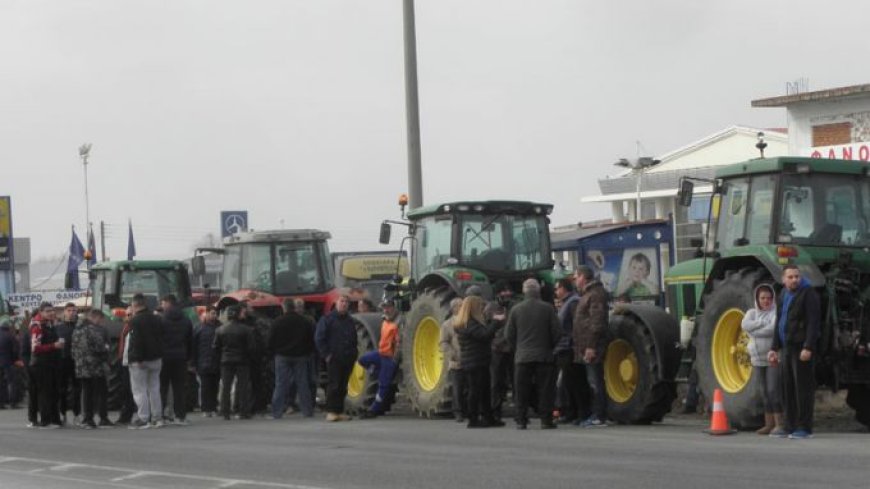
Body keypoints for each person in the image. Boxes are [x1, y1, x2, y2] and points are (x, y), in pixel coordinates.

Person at [768, 265, 821, 440]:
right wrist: (774, 348)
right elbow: (780, 322)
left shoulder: (808, 294)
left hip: (801, 348)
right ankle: (789, 425)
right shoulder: (783, 294)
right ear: (783, 279)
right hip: (786, 348)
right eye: (790, 277)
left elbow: (814, 323)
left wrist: (808, 347)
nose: (794, 280)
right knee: (787, 388)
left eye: (797, 277)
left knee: (802, 389)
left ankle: (804, 427)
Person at [505, 279, 562, 430]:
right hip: (544, 356)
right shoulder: (548, 308)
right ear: (538, 291)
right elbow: (557, 332)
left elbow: (508, 334)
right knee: (545, 390)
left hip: (522, 357)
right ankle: (546, 420)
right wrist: (549, 347)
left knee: (521, 390)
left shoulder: (516, 310)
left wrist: (518, 348)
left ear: (524, 291)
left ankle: (521, 420)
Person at [740, 284, 783, 435]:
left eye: (769, 298)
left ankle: (780, 424)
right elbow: (745, 325)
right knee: (764, 391)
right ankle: (768, 424)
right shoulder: (751, 313)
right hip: (757, 359)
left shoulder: (776, 313)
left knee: (773, 390)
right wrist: (760, 323)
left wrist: (754, 330)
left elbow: (772, 329)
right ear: (757, 299)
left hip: (772, 357)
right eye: (763, 298)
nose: (766, 301)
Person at [455, 295, 502, 428]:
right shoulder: (469, 323)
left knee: (484, 390)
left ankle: (488, 417)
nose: (482, 308)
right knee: (475, 391)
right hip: (474, 361)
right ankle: (473, 419)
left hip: (478, 360)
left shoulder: (468, 323)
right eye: (480, 306)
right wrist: (495, 322)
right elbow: (484, 335)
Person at [573, 265, 610, 428]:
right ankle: (596, 413)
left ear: (583, 277)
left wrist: (591, 346)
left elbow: (597, 322)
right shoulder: (588, 294)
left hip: (592, 346)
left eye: (576, 277)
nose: (575, 280)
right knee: (591, 381)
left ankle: (600, 416)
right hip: (585, 345)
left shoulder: (595, 295)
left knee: (595, 381)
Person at [269, 299, 316, 419]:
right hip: (300, 356)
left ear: (284, 307)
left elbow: (271, 340)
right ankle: (307, 411)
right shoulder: (304, 321)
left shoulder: (277, 322)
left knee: (280, 384)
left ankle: (277, 412)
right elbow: (310, 340)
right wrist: (306, 352)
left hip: (282, 356)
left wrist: (274, 352)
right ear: (294, 307)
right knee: (303, 384)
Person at [315, 295, 357, 422]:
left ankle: (339, 411)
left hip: (347, 357)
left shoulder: (350, 320)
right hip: (334, 358)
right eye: (342, 301)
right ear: (336, 303)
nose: (344, 304)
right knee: (334, 385)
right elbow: (319, 338)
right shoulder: (327, 319)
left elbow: (354, 338)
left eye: (346, 302)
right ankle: (331, 411)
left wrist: (354, 354)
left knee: (343, 386)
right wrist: (326, 355)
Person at [358, 300, 401, 418]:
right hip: (380, 354)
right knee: (362, 359)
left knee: (383, 385)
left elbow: (399, 344)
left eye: (388, 307)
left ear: (394, 308)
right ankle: (377, 372)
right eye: (384, 308)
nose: (386, 310)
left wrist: (394, 360)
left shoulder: (397, 324)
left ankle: (374, 410)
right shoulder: (385, 322)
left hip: (389, 358)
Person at [128, 293, 165, 429]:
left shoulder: (135, 321)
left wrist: (138, 358)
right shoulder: (157, 319)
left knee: (140, 390)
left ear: (135, 305)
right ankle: (157, 417)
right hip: (156, 359)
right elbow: (162, 338)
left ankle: (143, 418)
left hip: (141, 361)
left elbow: (136, 341)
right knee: (155, 389)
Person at [552, 277, 587, 424]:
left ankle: (580, 412)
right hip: (564, 347)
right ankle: (572, 412)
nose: (555, 291)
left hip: (569, 348)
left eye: (557, 288)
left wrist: (573, 344)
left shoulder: (573, 302)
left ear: (564, 288)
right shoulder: (566, 303)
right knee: (567, 383)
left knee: (575, 382)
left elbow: (575, 326)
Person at [71, 309, 112, 429]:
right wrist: (106, 349)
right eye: (100, 319)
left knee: (86, 392)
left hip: (80, 367)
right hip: (94, 366)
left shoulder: (76, 331)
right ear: (95, 318)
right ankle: (95, 418)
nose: (101, 322)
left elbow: (73, 350)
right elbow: (100, 347)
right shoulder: (92, 330)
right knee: (98, 392)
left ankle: (86, 418)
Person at [214, 304, 256, 420]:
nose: (244, 314)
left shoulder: (220, 329)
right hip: (243, 361)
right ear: (237, 314)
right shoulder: (246, 330)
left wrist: (221, 357)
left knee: (226, 387)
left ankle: (225, 412)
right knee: (243, 386)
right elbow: (252, 347)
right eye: (242, 312)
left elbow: (216, 347)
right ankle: (244, 411)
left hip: (226, 360)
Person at [159, 294, 194, 425]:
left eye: (163, 303)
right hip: (180, 357)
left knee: (162, 387)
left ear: (168, 303)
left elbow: (158, 339)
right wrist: (188, 357)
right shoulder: (186, 320)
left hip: (164, 358)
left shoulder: (162, 320)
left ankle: (161, 415)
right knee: (179, 388)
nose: (161, 306)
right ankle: (180, 416)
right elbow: (190, 340)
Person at [30, 302, 63, 428]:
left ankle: (54, 419)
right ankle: (45, 421)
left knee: (53, 392)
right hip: (41, 364)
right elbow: (35, 348)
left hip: (51, 363)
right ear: (41, 312)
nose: (52, 313)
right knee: (45, 393)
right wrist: (53, 346)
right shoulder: (37, 326)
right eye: (48, 311)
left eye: (52, 310)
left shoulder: (49, 325)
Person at [488, 280, 514, 420]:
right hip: (497, 349)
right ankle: (495, 409)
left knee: (515, 380)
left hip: (511, 348)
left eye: (508, 290)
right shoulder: (490, 307)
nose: (507, 293)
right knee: (496, 381)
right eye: (503, 291)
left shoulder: (514, 307)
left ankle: (519, 409)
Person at [440, 297, 466, 422]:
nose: (463, 308)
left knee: (470, 387)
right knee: (458, 388)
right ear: (454, 308)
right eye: (460, 306)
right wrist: (452, 354)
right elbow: (443, 343)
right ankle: (458, 412)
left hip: (469, 359)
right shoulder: (447, 325)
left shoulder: (468, 321)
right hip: (456, 361)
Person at [55, 303, 81, 425]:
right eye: (69, 310)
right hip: (62, 361)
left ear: (77, 312)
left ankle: (77, 414)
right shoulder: (58, 328)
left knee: (77, 389)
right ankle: (62, 414)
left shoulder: (80, 327)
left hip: (77, 361)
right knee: (62, 389)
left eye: (73, 310)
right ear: (64, 312)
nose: (71, 312)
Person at [193, 306, 221, 417]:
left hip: (216, 361)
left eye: (215, 313)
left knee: (215, 386)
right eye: (212, 313)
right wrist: (193, 362)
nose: (214, 316)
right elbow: (194, 347)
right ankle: (206, 408)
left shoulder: (220, 327)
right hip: (203, 361)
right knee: (205, 386)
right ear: (207, 313)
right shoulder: (199, 328)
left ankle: (213, 407)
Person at [115, 307, 137, 425]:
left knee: (135, 390)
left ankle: (137, 414)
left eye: (131, 315)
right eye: (127, 315)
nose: (128, 317)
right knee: (125, 389)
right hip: (123, 361)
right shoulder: (125, 328)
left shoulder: (136, 328)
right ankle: (125, 415)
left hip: (134, 362)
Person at [0, 318, 21, 409]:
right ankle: (13, 402)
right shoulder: (10, 336)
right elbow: (15, 350)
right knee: (12, 382)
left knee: (1, 383)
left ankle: (1, 403)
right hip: (8, 362)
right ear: (8, 326)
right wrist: (15, 360)